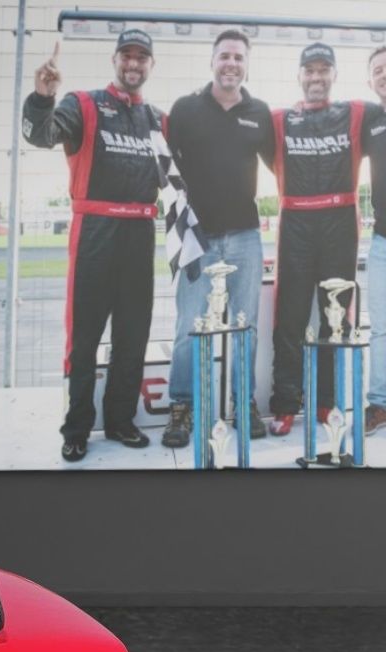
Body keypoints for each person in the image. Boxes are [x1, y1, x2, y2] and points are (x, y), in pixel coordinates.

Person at [24, 29, 164, 463]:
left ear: (151, 65)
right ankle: (77, 428)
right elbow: (40, 135)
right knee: (83, 339)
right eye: (127, 56)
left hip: (141, 235)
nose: (134, 64)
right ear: (115, 60)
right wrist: (43, 97)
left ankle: (121, 421)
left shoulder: (159, 119)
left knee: (132, 336)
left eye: (142, 57)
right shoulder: (83, 103)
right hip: (95, 233)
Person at [163, 30, 275, 449]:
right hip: (198, 236)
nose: (232, 63)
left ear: (247, 64)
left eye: (239, 57)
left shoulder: (260, 112)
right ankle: (183, 406)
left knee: (243, 326)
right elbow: (163, 170)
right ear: (213, 61)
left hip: (246, 235)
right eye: (225, 56)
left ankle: (242, 403)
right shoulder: (186, 108)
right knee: (189, 326)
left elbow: (284, 168)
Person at [267, 44, 368, 436]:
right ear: (299, 75)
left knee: (334, 321)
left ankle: (326, 402)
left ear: (334, 75)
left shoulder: (357, 112)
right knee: (289, 319)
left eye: (324, 70)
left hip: (340, 225)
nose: (316, 77)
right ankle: (286, 404)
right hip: (295, 224)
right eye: (309, 70)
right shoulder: (278, 119)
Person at [364, 47, 386, 434]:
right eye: (378, 70)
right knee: (382, 328)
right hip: (382, 241)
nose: (384, 74)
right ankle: (380, 404)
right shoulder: (368, 120)